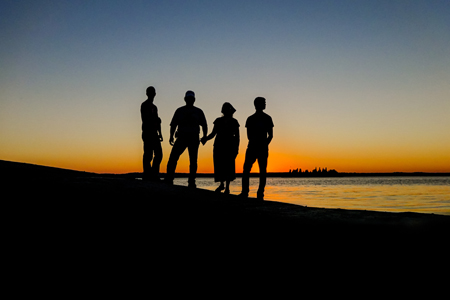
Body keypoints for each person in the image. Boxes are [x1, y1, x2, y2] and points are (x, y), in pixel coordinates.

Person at [165, 90, 208, 188]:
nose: (190, 100)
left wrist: (205, 136)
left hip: (193, 138)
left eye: (191, 99)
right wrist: (171, 135)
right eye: (188, 99)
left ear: (194, 100)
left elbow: (204, 124)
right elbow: (173, 124)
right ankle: (169, 177)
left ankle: (191, 180)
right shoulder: (180, 111)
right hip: (181, 137)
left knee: (192, 160)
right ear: (185, 99)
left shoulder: (198, 112)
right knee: (173, 158)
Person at [239, 97, 274, 200]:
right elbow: (249, 136)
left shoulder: (268, 118)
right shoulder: (250, 119)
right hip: (252, 147)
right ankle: (245, 192)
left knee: (262, 170)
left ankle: (260, 192)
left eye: (265, 103)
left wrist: (265, 144)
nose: (265, 104)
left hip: (261, 147)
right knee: (246, 169)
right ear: (257, 104)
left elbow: (271, 135)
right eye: (263, 103)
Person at [202, 102, 240, 194]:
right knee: (220, 165)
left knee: (229, 166)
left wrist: (236, 148)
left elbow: (237, 137)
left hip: (229, 146)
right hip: (219, 145)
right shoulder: (218, 121)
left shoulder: (234, 122)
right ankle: (222, 184)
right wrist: (206, 138)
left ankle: (227, 187)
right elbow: (213, 133)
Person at [141, 86, 163, 181]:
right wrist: (156, 119)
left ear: (155, 94)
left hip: (154, 133)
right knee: (148, 155)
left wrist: (160, 133)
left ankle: (154, 174)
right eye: (150, 92)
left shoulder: (154, 107)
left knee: (158, 154)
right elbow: (145, 119)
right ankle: (147, 175)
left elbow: (158, 121)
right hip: (147, 132)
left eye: (153, 92)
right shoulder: (144, 105)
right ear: (147, 93)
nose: (152, 94)